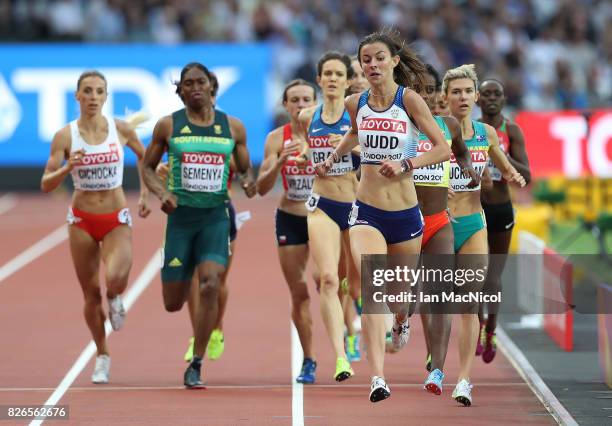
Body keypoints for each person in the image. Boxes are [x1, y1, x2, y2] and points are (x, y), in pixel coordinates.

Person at [318, 30, 451, 402]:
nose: (372, 64)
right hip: (367, 210)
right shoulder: (353, 101)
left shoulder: (408, 101)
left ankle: (402, 319)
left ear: (394, 61)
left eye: (379, 58)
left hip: (407, 214)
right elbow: (354, 134)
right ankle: (378, 377)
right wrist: (333, 157)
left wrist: (406, 162)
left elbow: (441, 149)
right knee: (373, 282)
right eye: (365, 59)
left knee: (399, 295)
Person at [142, 62, 256, 388]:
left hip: (215, 217)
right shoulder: (168, 126)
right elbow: (148, 168)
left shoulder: (232, 128)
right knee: (173, 303)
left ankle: (197, 361)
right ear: (180, 91)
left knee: (210, 284)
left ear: (211, 86)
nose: (194, 87)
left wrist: (249, 182)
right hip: (180, 220)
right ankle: (182, 278)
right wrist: (161, 193)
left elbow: (246, 169)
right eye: (187, 83)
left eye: (200, 82)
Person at [41, 70, 151, 384]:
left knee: (116, 277)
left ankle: (115, 297)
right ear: (77, 96)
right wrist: (67, 168)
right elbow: (46, 184)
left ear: (106, 96)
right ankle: (102, 354)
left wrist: (144, 193)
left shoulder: (121, 129)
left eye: (98, 91)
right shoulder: (65, 136)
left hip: (115, 217)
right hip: (81, 221)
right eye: (86, 91)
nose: (92, 97)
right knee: (90, 294)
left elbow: (146, 159)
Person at [443, 64, 526, 406]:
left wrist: (509, 176)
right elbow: (408, 168)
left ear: (474, 97)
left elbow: (508, 167)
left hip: (476, 221)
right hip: (439, 225)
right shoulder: (431, 132)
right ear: (445, 98)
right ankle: (407, 328)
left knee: (469, 300)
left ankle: (463, 380)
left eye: (467, 92)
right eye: (456, 92)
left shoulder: (488, 134)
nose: (463, 98)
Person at [412, 64, 479, 396]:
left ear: (436, 94)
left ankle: (437, 370)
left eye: (429, 90)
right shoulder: (398, 126)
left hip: (439, 221)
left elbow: (463, 157)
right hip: (404, 222)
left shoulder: (447, 125)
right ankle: (398, 322)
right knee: (406, 298)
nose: (423, 96)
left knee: (438, 296)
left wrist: (467, 174)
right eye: (417, 90)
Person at [298, 51, 357, 382]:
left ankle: (354, 321)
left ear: (348, 81)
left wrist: (349, 147)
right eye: (327, 74)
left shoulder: (357, 115)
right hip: (321, 204)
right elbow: (309, 147)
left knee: (355, 282)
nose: (333, 79)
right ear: (319, 80)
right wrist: (308, 154)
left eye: (339, 74)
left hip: (357, 205)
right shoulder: (308, 116)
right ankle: (340, 357)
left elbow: (380, 153)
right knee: (328, 280)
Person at [256, 79, 319, 383]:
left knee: (328, 280)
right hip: (291, 217)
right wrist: (279, 161)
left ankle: (350, 330)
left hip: (325, 217)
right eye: (294, 99)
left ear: (315, 102)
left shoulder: (327, 133)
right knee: (300, 293)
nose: (301, 105)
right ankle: (309, 359)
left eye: (306, 99)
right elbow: (260, 187)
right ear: (285, 104)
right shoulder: (275, 139)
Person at [477, 79, 531, 363]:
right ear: (478, 99)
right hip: (474, 211)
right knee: (472, 275)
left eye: (497, 93)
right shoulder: (470, 129)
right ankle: (477, 325)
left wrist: (503, 156)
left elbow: (527, 175)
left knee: (493, 277)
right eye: (486, 94)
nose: (492, 99)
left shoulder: (512, 130)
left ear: (504, 98)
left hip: (500, 209)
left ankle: (491, 329)